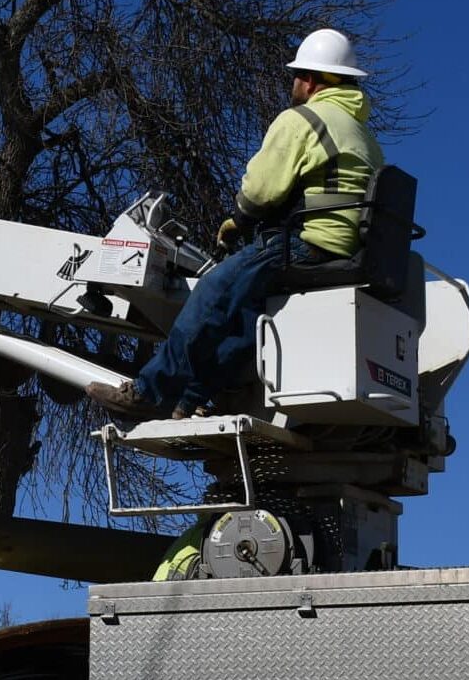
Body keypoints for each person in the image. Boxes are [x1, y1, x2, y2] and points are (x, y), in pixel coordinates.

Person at [89, 28, 382, 421]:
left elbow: (261, 191)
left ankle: (146, 392)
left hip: (306, 241)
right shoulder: (363, 135)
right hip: (346, 248)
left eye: (297, 74)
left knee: (212, 294)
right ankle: (190, 399)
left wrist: (237, 221)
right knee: (248, 317)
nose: (293, 83)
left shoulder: (304, 120)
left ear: (311, 80)